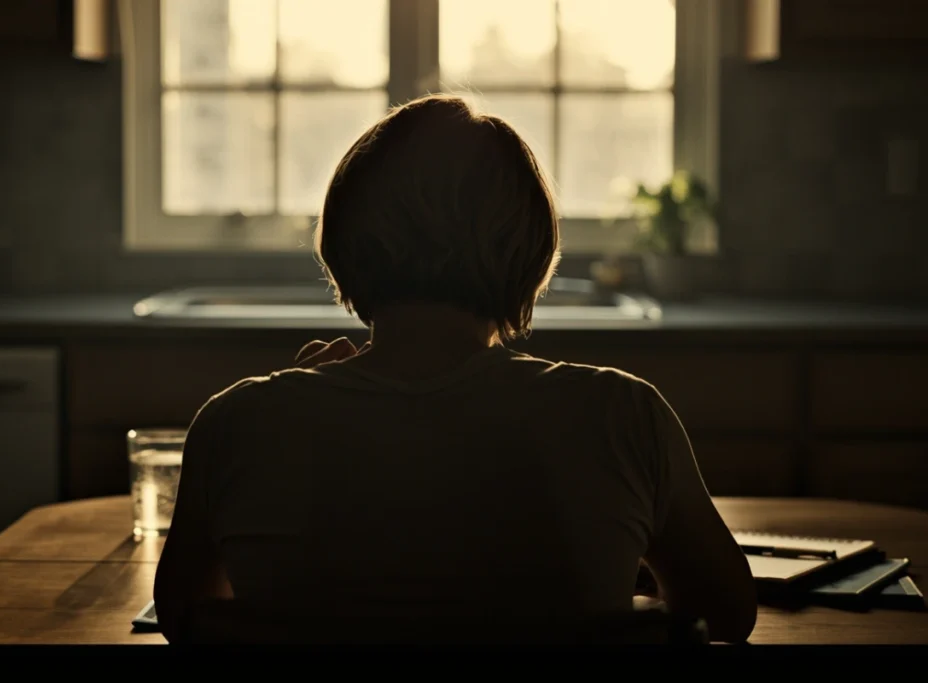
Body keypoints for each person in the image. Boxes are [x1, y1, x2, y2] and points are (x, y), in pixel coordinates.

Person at [153, 94, 757, 644]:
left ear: (342, 245)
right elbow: (725, 615)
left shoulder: (237, 422)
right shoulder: (624, 416)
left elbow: (189, 620)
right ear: (532, 255)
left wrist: (289, 407)